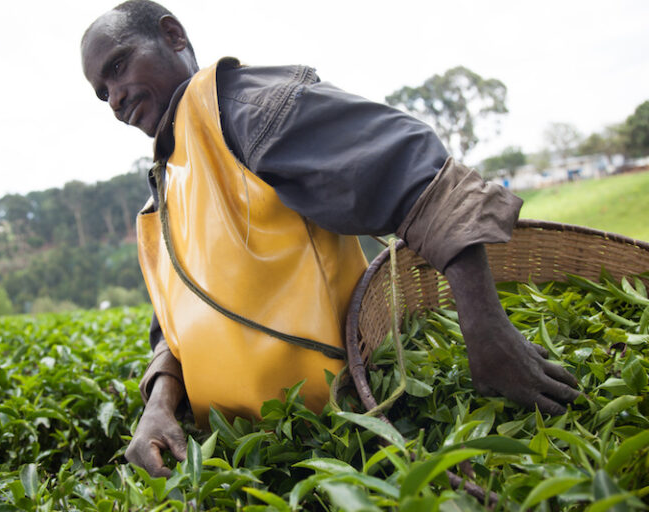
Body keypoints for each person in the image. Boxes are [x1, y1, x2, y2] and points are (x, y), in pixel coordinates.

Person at [81, 0, 580, 477]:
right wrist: (160, 405)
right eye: (103, 92)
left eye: (120, 66)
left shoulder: (245, 110)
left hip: (356, 425)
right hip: (255, 455)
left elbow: (415, 175)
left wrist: (488, 334)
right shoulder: (169, 183)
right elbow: (179, 320)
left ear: (172, 36)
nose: (116, 97)